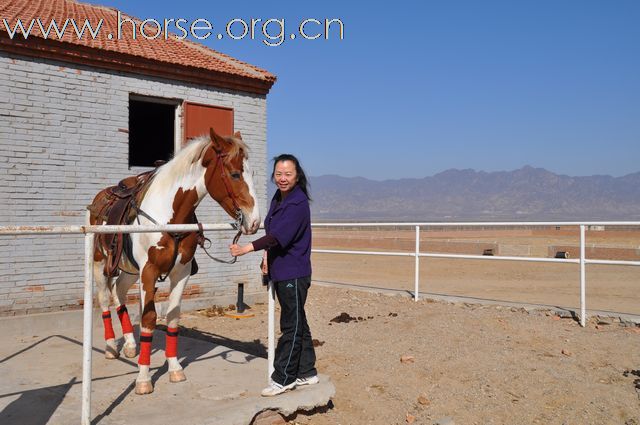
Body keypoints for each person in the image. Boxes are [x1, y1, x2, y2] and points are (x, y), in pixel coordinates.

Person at [230, 154, 319, 397]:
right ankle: (307, 371)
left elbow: (278, 236)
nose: (282, 178)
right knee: (299, 321)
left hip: (294, 273)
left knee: (291, 325)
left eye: (288, 174)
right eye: (278, 174)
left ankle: (284, 378)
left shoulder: (297, 203)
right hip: (282, 271)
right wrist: (267, 257)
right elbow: (274, 234)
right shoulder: (279, 198)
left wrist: (247, 248)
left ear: (297, 176)